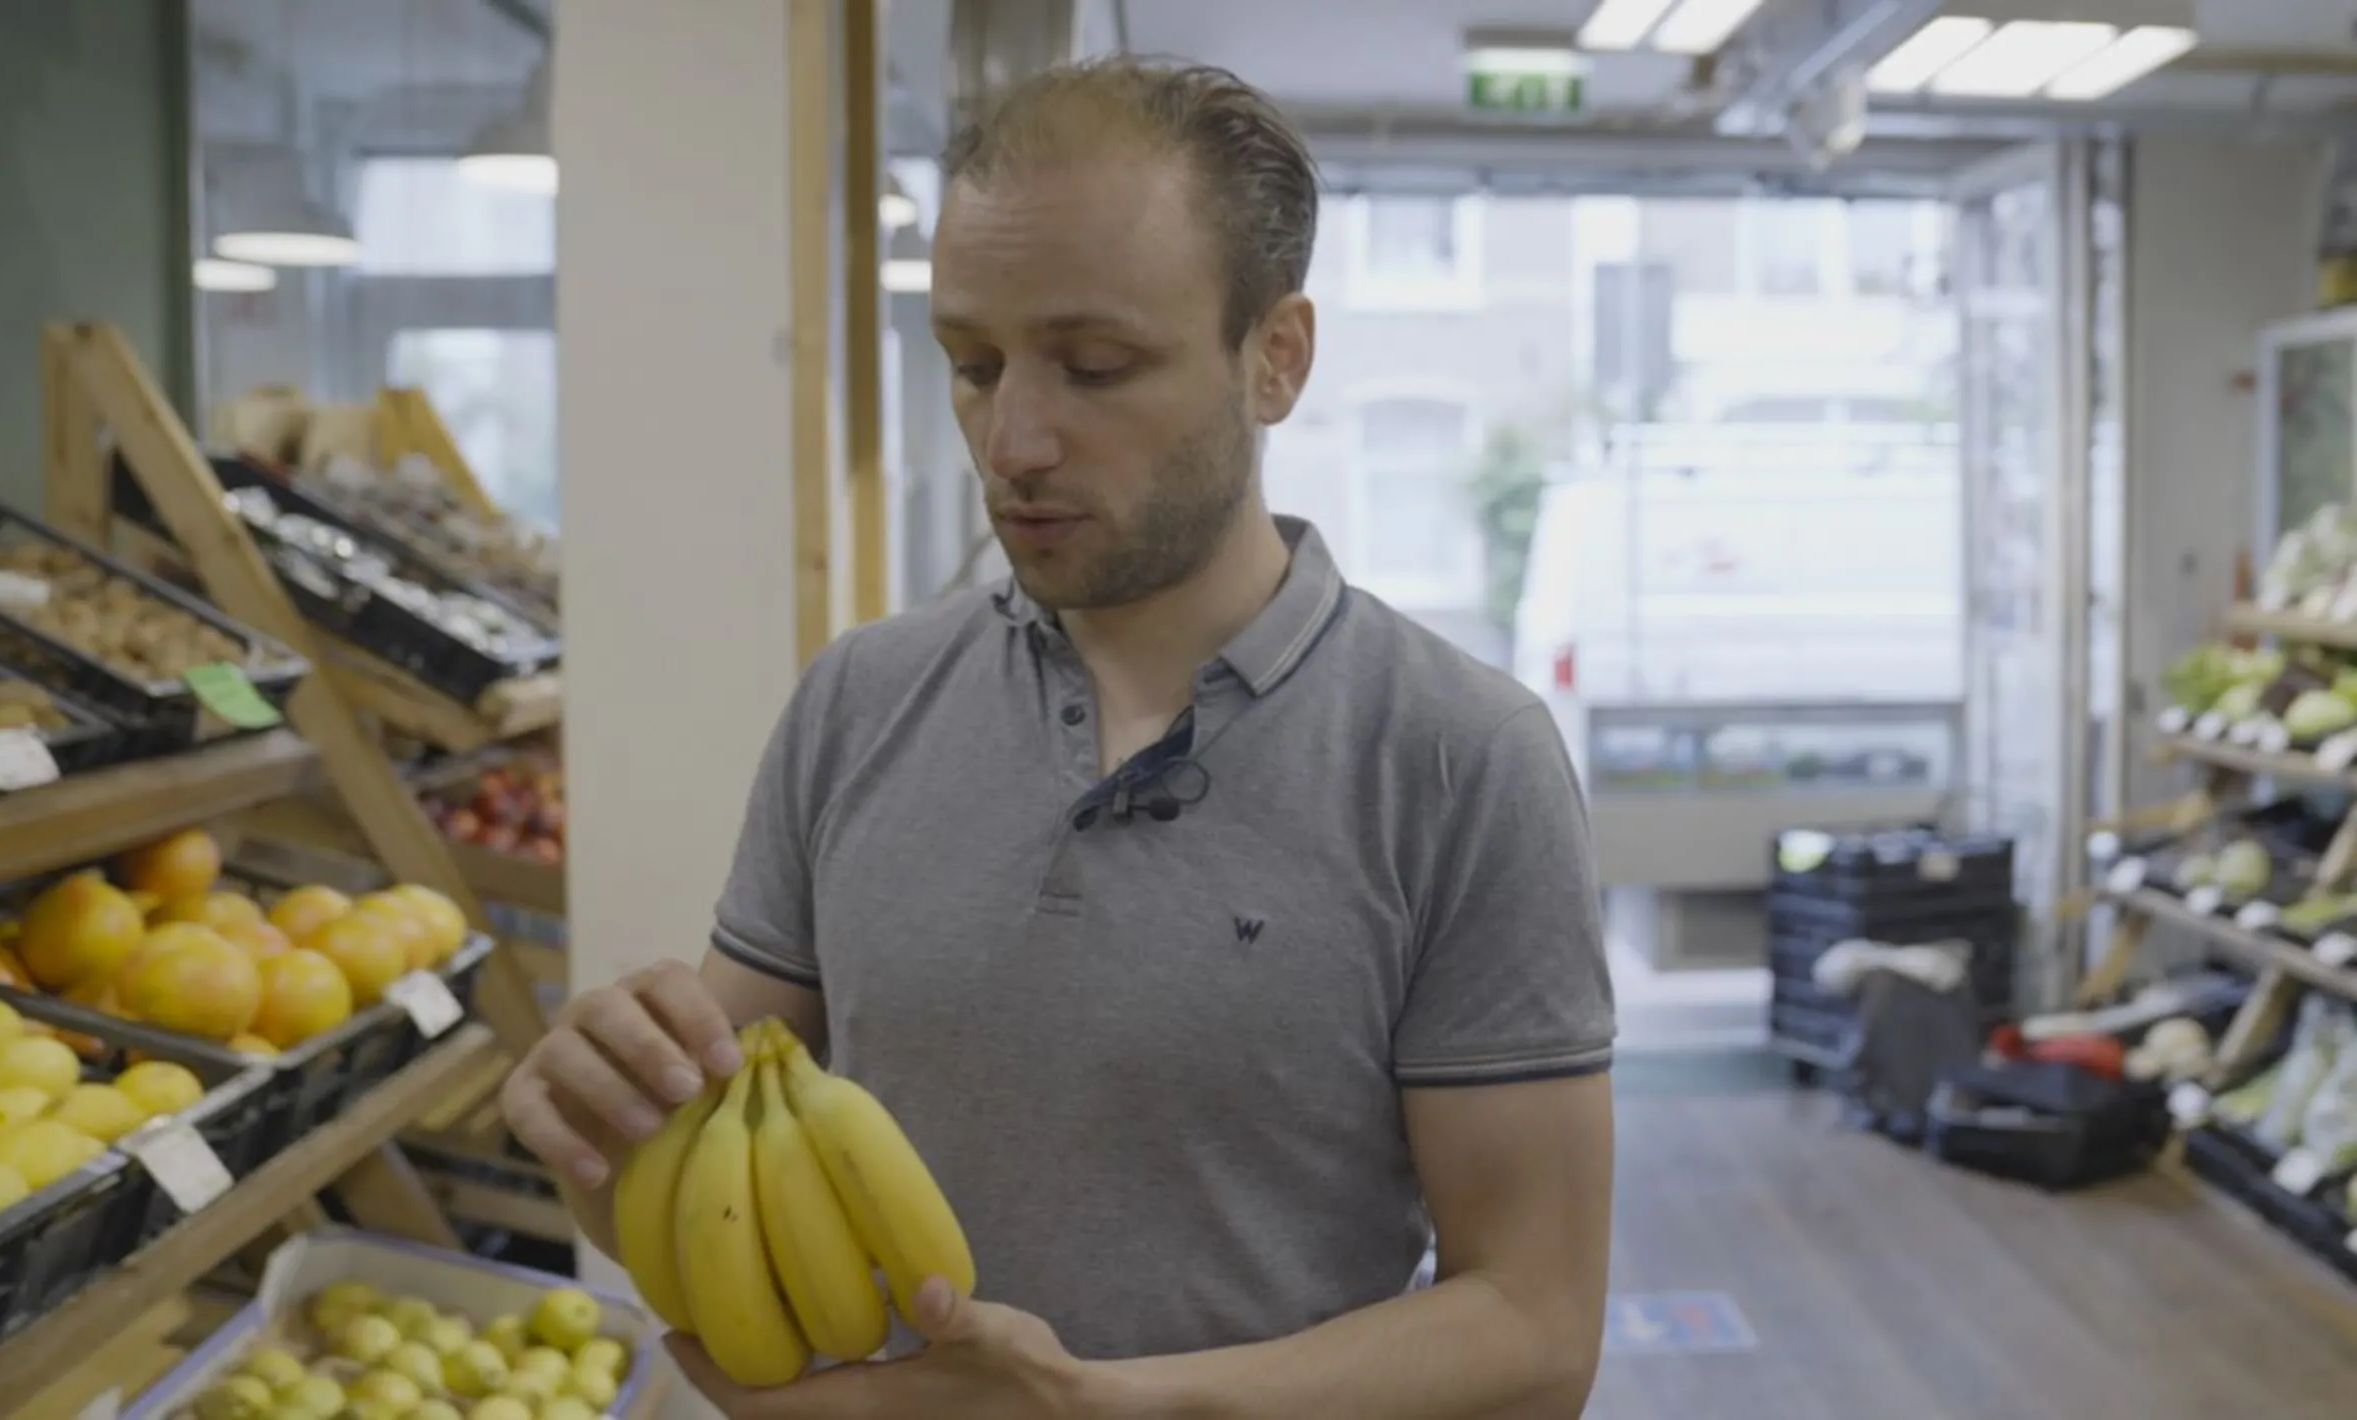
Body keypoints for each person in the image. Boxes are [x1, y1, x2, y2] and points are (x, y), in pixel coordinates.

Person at [503, 54, 1616, 1419]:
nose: (1013, 440)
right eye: (973, 366)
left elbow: (1536, 1326)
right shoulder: (858, 703)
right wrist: (592, 1136)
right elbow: (689, 1205)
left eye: (1095, 368)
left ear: (1276, 358)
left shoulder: (1459, 759)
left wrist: (1113, 1409)